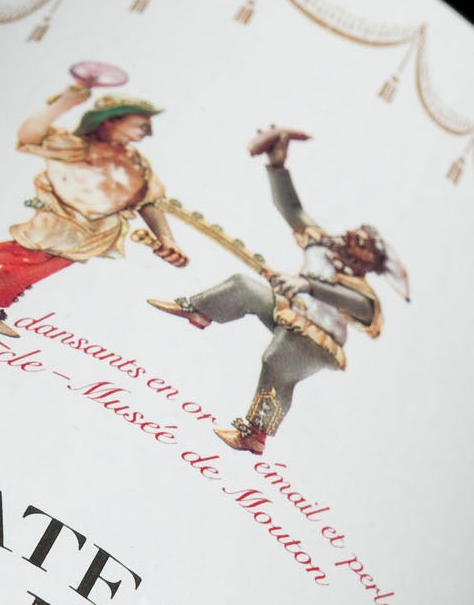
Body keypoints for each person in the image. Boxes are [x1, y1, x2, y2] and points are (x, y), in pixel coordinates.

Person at [149, 126, 408, 451]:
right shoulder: (321, 245)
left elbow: (354, 303)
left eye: (365, 244)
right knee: (244, 287)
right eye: (358, 234)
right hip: (290, 312)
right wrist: (276, 165)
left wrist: (306, 285)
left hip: (318, 339)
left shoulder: (361, 291)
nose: (354, 238)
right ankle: (199, 311)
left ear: (370, 262)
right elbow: (291, 208)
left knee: (278, 360)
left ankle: (254, 435)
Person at [0, 81, 187, 337]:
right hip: (61, 221)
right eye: (142, 125)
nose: (148, 133)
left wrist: (166, 237)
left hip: (97, 234)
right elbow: (30, 136)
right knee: (26, 255)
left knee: (39, 269)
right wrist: (64, 103)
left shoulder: (136, 161)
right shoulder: (76, 147)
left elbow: (149, 201)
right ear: (111, 121)